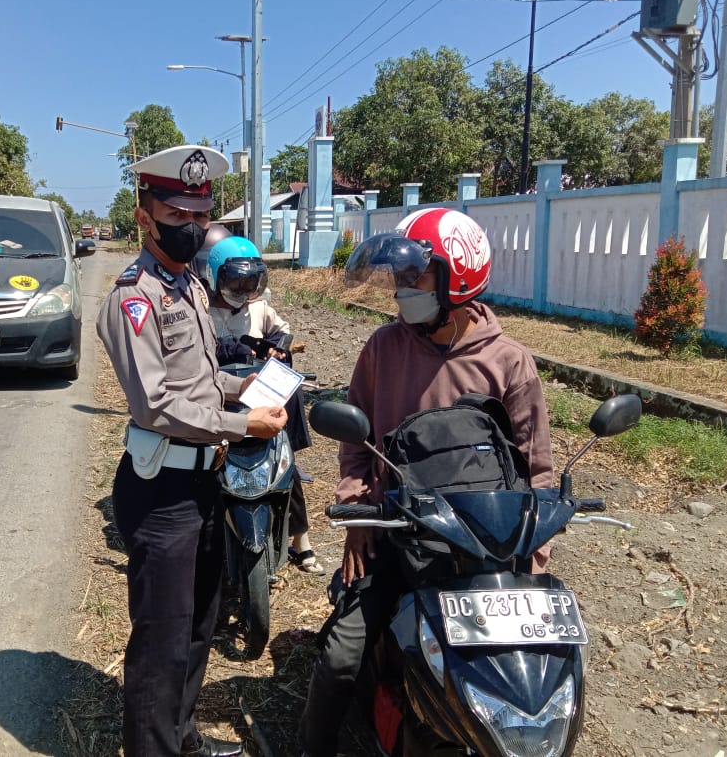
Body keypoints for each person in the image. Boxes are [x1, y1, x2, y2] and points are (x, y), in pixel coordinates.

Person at [298, 207, 553, 757]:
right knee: (342, 655)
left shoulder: (509, 364)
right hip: (397, 536)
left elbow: (536, 469)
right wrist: (357, 517)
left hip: (483, 552)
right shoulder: (383, 348)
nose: (402, 289)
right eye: (400, 277)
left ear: (456, 280)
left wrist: (532, 553)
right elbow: (355, 441)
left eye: (416, 276)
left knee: (532, 679)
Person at [95, 144, 288, 757]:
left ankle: (181, 739)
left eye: (200, 216)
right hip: (163, 493)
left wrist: (245, 385)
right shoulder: (134, 298)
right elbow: (155, 405)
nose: (191, 228)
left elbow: (199, 382)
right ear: (144, 214)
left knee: (201, 625)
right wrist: (240, 425)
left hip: (208, 483)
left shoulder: (190, 287)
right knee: (162, 643)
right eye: (176, 215)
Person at [204, 235, 324, 575]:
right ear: (215, 277)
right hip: (218, 397)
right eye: (235, 280)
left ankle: (300, 539)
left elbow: (282, 332)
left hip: (255, 391)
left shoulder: (258, 307)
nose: (243, 289)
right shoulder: (199, 306)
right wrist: (231, 349)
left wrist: (275, 348)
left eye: (250, 281)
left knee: (284, 461)